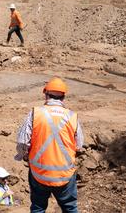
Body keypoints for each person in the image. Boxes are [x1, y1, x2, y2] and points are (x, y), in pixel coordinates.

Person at [15, 77, 84, 213]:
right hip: (65, 175)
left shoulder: (35, 113)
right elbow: (79, 145)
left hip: (39, 174)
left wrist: (23, 156)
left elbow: (23, 141)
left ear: (46, 94)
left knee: (38, 208)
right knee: (70, 208)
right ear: (63, 97)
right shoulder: (72, 116)